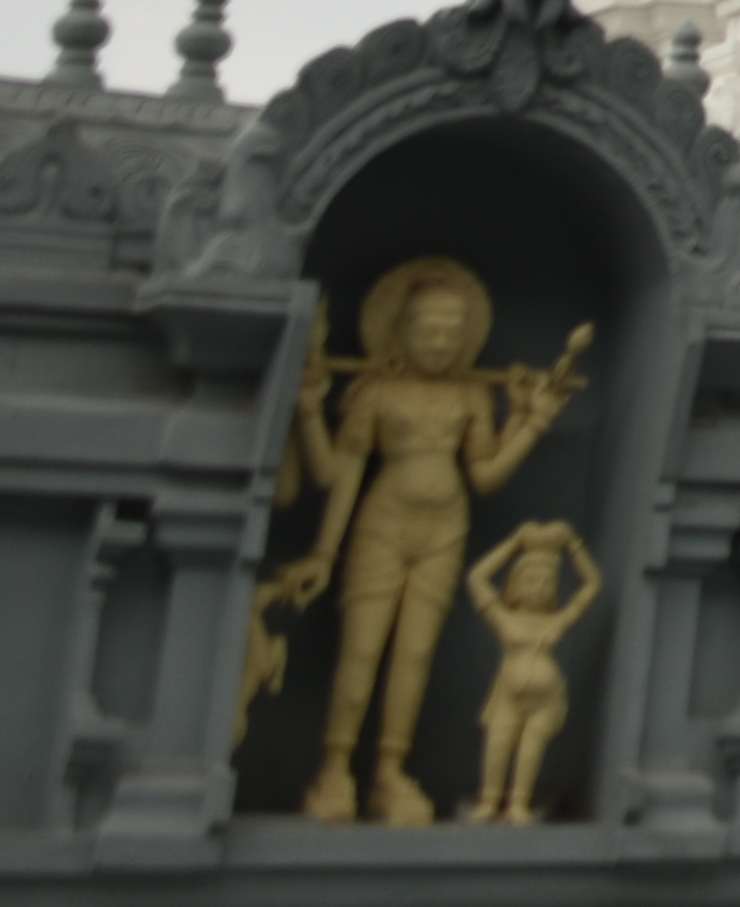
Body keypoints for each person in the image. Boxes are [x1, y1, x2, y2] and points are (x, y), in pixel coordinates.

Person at [256, 257, 590, 824]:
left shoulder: (471, 398)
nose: (440, 342)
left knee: (413, 656)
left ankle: (389, 772)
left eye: (452, 333)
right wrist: (323, 550)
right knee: (361, 652)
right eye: (428, 330)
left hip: (445, 530)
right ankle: (335, 768)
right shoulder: (375, 392)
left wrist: (531, 423)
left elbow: (485, 476)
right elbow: (337, 479)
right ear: (401, 331)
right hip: (381, 527)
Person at [458, 522, 603, 824]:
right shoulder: (505, 618)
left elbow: (591, 585)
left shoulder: (556, 622)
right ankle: (490, 799)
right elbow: (477, 578)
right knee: (498, 744)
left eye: (547, 581)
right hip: (509, 696)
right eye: (532, 580)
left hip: (546, 700)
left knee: (530, 750)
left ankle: (519, 803)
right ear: (515, 584)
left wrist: (573, 544)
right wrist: (514, 543)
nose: (539, 587)